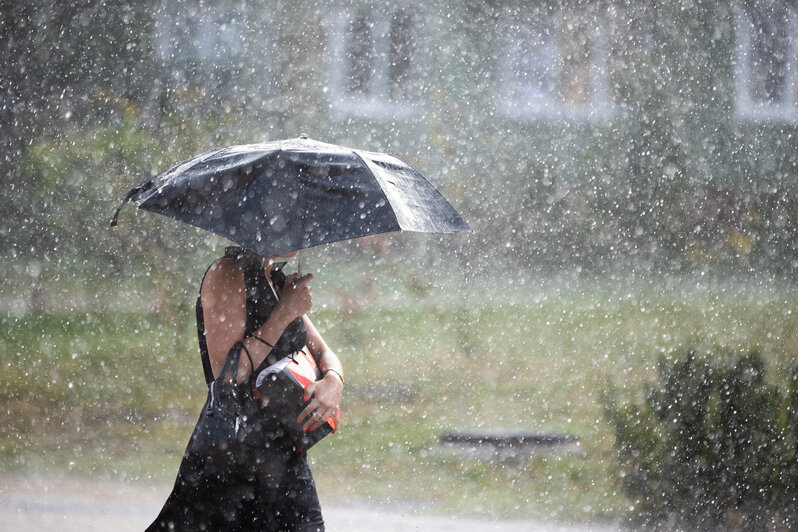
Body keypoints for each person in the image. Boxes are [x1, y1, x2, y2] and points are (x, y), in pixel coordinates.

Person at [147, 246, 344, 531]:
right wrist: (285, 311)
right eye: (290, 215)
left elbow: (324, 351)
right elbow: (229, 373)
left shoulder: (277, 279)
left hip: (283, 446)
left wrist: (334, 380)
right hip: (234, 451)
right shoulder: (226, 273)